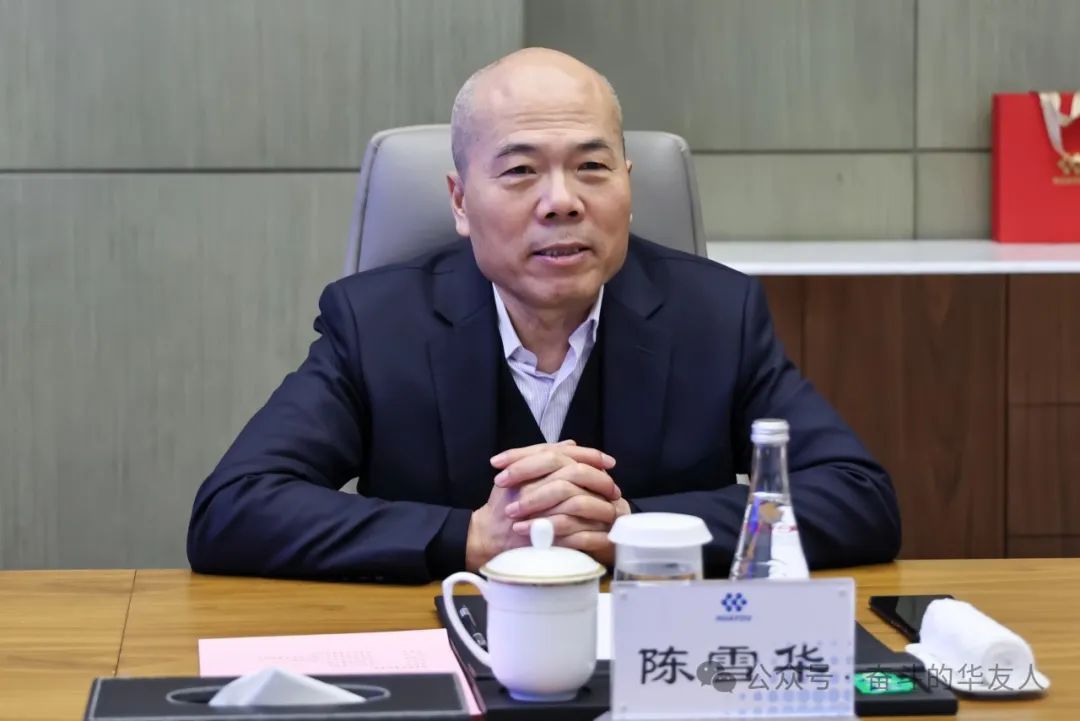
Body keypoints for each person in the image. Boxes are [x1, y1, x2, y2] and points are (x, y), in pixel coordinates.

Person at [187, 47, 900, 583]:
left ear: (628, 186)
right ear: (460, 201)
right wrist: (469, 537)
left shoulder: (716, 315)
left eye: (592, 167)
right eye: (521, 170)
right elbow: (235, 508)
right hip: (449, 659)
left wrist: (633, 527)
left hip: (650, 669)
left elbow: (858, 498)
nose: (562, 201)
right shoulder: (377, 325)